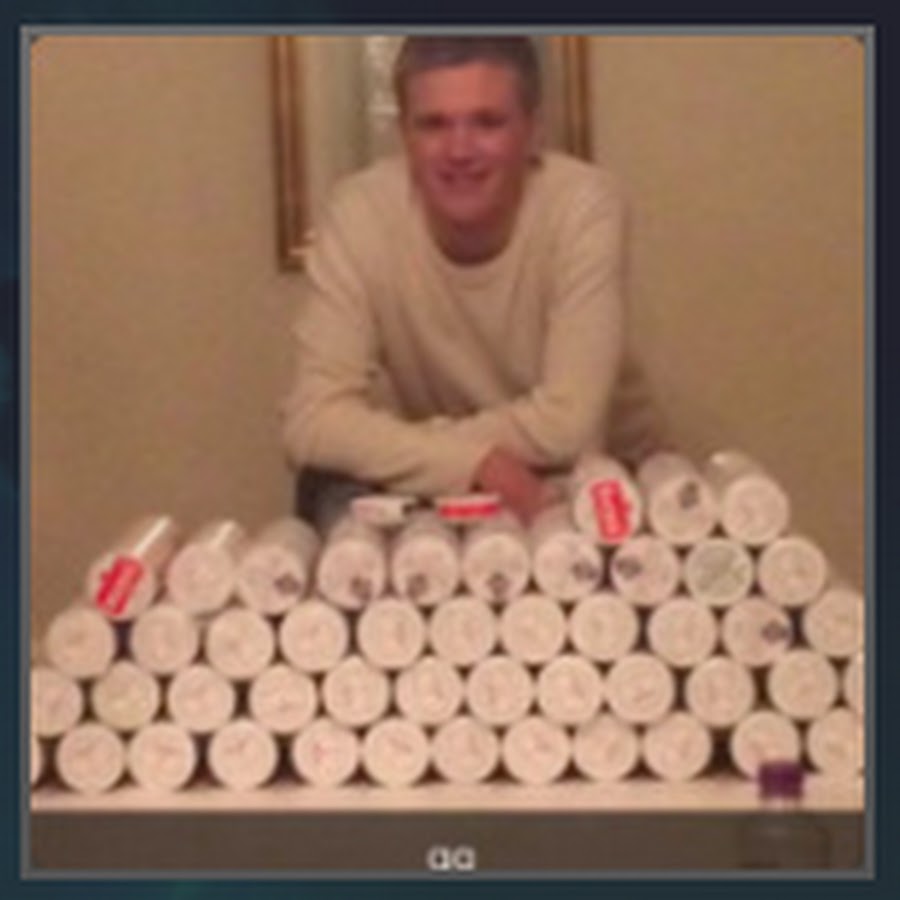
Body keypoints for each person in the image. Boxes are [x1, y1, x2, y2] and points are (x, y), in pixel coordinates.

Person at [281, 36, 668, 529]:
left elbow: (569, 427)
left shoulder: (584, 204)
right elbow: (310, 421)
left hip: (605, 492)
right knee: (323, 486)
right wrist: (476, 464)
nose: (459, 151)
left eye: (487, 123)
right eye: (434, 125)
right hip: (458, 491)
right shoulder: (359, 212)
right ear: (403, 135)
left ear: (532, 130)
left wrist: (415, 449)